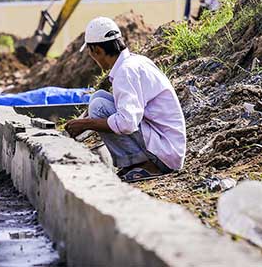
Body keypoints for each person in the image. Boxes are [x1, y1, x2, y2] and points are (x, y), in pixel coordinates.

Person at [65, 17, 186, 183]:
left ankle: (147, 165)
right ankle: (136, 164)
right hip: (168, 145)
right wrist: (83, 122)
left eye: (91, 53)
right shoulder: (135, 62)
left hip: (165, 155)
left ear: (97, 50)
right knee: (98, 97)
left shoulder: (125, 72)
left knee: (99, 106)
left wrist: (87, 124)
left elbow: (127, 123)